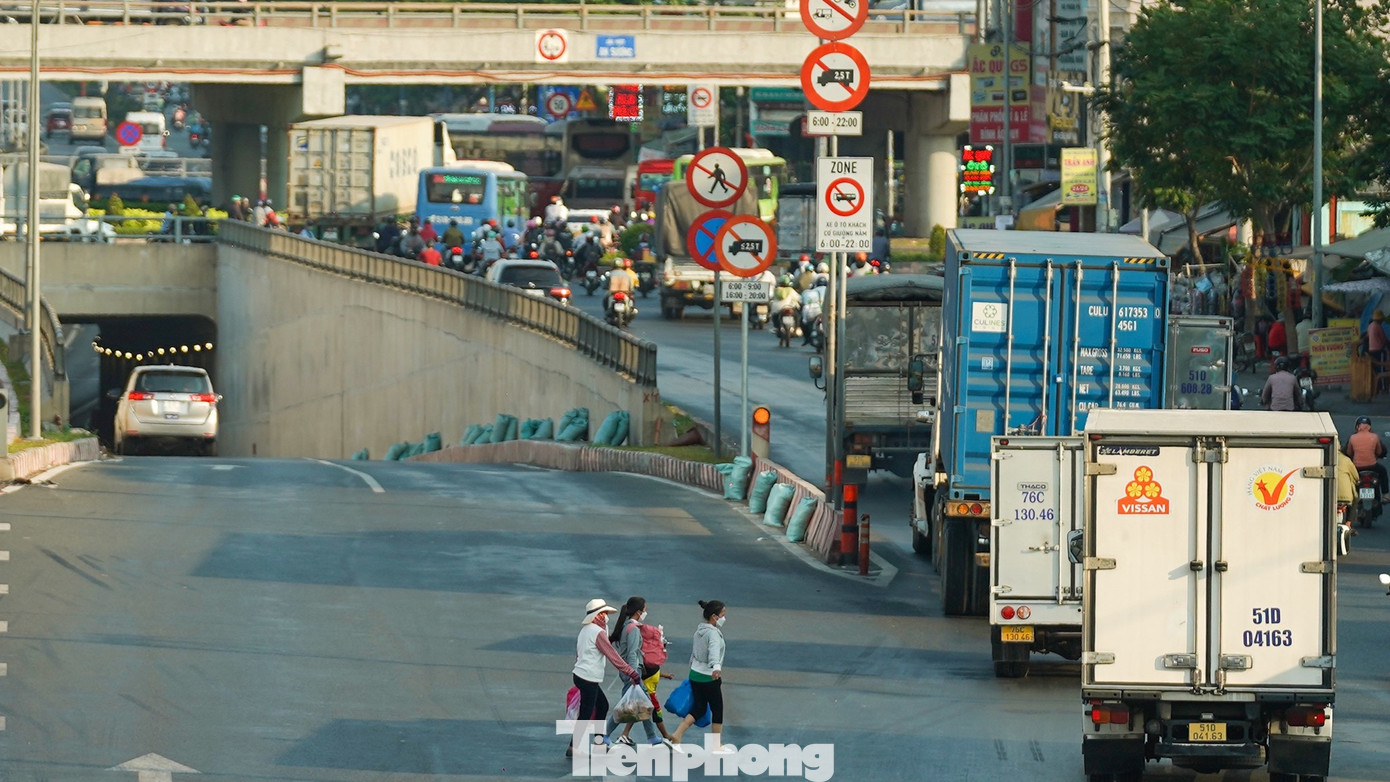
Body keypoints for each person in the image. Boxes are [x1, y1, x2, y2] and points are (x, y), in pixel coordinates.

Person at [570, 599, 641, 758]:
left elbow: (579, 653)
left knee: (601, 706)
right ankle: (575, 747)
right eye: (604, 613)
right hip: (588, 677)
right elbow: (612, 655)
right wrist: (632, 672)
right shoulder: (597, 632)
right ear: (597, 615)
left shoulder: (586, 630)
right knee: (586, 713)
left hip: (581, 675)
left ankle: (598, 744)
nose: (606, 617)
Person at [604, 597, 667, 747]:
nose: (645, 612)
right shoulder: (633, 629)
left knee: (643, 703)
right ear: (638, 612)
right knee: (627, 705)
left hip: (629, 671)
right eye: (644, 610)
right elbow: (632, 653)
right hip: (632, 672)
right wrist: (634, 674)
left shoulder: (626, 627)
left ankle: (651, 736)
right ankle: (604, 734)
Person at [669, 600, 731, 752]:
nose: (724, 618)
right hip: (709, 677)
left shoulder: (699, 631)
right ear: (715, 616)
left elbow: (695, 652)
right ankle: (716, 745)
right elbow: (714, 651)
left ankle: (677, 734)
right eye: (723, 614)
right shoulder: (713, 633)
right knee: (717, 709)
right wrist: (716, 667)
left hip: (695, 674)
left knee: (699, 707)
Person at [1344, 416, 1388, 499]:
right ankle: (1385, 495)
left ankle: (1348, 497)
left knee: (1348, 478)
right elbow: (1379, 452)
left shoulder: (1352, 437)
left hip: (1357, 467)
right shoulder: (1374, 437)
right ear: (1369, 427)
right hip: (1373, 466)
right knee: (1383, 471)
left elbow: (1349, 453)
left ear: (1357, 427)